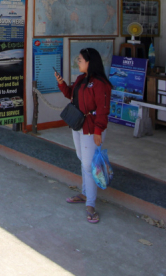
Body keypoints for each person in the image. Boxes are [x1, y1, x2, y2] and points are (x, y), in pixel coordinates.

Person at [54, 47, 112, 224]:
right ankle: (85, 193)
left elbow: (102, 110)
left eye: (80, 60)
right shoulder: (81, 79)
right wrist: (62, 84)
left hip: (91, 128)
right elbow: (71, 94)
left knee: (88, 165)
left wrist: (98, 131)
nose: (77, 62)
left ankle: (90, 204)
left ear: (89, 62)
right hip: (78, 125)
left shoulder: (101, 84)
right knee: (83, 160)